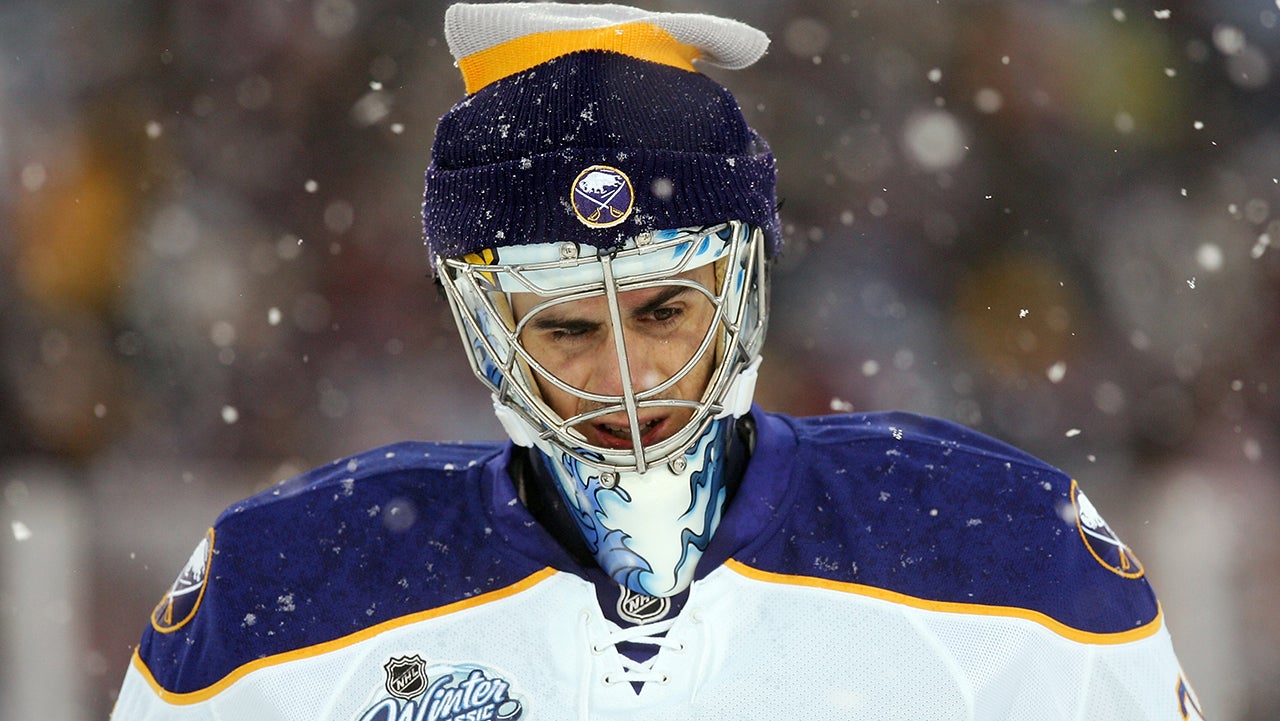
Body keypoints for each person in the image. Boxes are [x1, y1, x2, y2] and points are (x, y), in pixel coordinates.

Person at [112, 3, 1204, 719]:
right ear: (483, 326)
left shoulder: (1003, 559)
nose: (625, 374)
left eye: (664, 307)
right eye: (568, 328)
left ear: (742, 281)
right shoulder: (284, 596)